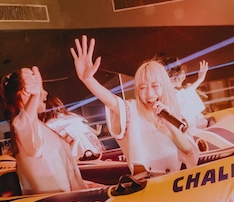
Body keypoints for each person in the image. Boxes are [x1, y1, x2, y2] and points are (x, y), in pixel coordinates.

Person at [71, 35, 199, 175]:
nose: (149, 93)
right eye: (143, 87)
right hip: (145, 184)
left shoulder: (174, 114)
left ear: (165, 86)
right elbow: (110, 100)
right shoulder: (131, 111)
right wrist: (88, 80)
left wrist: (170, 126)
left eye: (155, 86)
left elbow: (188, 151)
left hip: (172, 182)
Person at [0, 66, 86, 195]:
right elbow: (24, 123)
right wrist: (35, 96)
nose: (45, 93)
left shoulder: (38, 126)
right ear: (26, 93)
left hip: (72, 201)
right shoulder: (21, 125)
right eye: (41, 89)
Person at [39, 95, 104, 160]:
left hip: (82, 150)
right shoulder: (72, 116)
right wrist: (98, 131)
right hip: (94, 146)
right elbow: (87, 130)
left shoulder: (51, 124)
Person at [169, 60, 209, 131]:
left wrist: (200, 79)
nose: (184, 78)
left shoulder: (175, 91)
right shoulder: (170, 93)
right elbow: (185, 95)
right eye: (182, 75)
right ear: (175, 75)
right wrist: (200, 80)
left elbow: (186, 94)